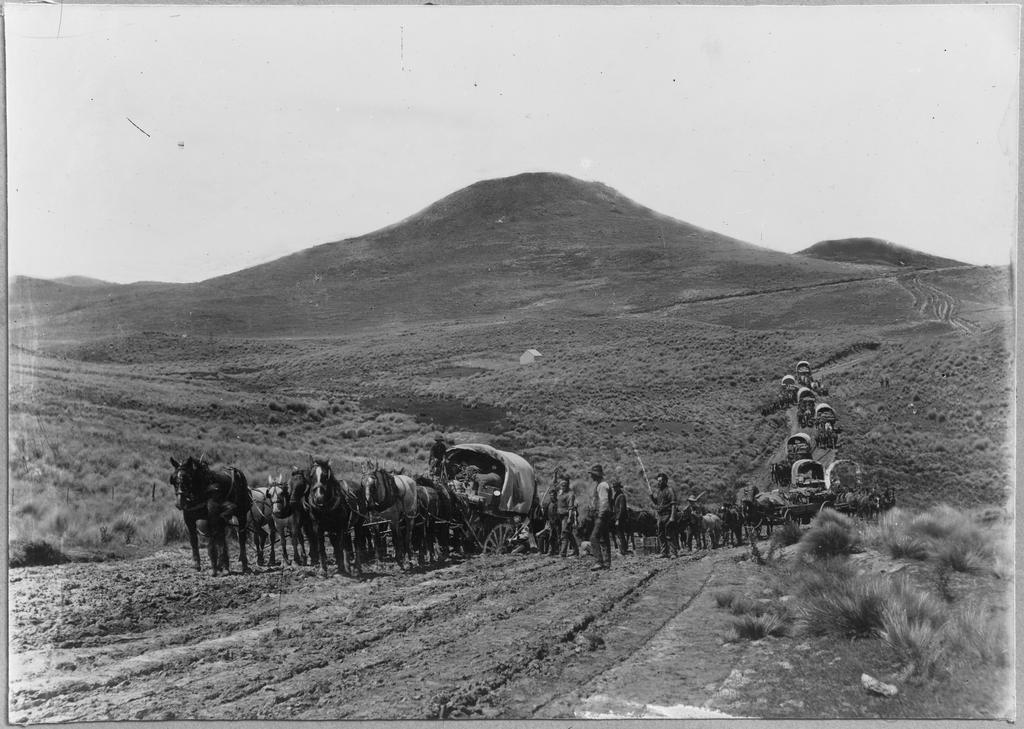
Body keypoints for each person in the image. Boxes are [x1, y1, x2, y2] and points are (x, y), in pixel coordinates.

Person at [588, 465, 613, 571]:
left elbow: (604, 501)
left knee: (594, 538)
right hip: (604, 514)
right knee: (604, 539)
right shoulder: (601, 484)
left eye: (592, 474)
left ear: (596, 475)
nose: (591, 476)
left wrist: (600, 515)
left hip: (602, 515)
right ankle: (607, 563)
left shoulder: (602, 485)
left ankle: (599, 562)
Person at [650, 473, 677, 557]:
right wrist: (652, 497)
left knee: (669, 534)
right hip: (660, 516)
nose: (659, 482)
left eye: (660, 481)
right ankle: (664, 552)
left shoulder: (670, 490)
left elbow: (673, 504)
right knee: (661, 534)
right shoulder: (659, 491)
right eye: (658, 481)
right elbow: (657, 503)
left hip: (668, 515)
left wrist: (672, 517)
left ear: (665, 481)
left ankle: (673, 553)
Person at [555, 475, 579, 557]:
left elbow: (570, 507)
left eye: (564, 485)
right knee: (569, 534)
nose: (562, 486)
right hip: (560, 515)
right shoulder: (560, 492)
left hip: (566, 516)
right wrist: (555, 475)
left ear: (567, 485)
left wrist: (569, 518)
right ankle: (576, 550)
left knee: (564, 533)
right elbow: (554, 485)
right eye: (561, 485)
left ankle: (563, 553)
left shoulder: (570, 494)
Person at [612, 480, 630, 555]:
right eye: (614, 487)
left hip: (621, 518)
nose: (614, 488)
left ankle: (624, 550)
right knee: (619, 534)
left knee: (621, 533)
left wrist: (618, 519)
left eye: (616, 487)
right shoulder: (616, 495)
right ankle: (623, 549)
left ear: (619, 487)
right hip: (617, 517)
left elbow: (622, 509)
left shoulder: (621, 496)